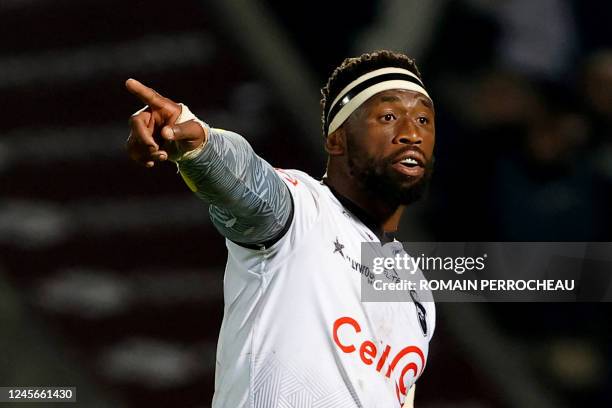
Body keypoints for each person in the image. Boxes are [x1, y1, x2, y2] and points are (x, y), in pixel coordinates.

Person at [125, 50, 436, 408]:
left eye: (425, 121)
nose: (412, 133)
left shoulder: (416, 290)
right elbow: (251, 185)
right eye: (389, 116)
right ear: (337, 139)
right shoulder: (305, 211)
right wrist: (202, 148)